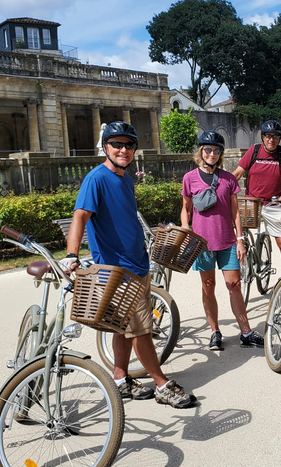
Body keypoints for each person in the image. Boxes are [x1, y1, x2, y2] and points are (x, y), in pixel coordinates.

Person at [60, 121, 194, 409]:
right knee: (141, 329)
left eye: (129, 144)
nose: (123, 149)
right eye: (116, 144)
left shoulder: (125, 179)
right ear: (105, 147)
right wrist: (72, 255)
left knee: (122, 328)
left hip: (138, 264)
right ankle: (161, 384)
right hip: (118, 271)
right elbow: (80, 216)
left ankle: (120, 379)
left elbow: (124, 218)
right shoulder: (96, 179)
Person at [182, 130, 264, 351]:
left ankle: (245, 332)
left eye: (216, 150)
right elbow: (186, 209)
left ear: (220, 154)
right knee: (208, 286)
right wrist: (185, 229)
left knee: (234, 285)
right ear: (201, 151)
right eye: (208, 150)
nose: (212, 154)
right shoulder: (189, 178)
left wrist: (240, 239)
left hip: (227, 240)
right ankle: (215, 331)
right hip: (203, 243)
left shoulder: (228, 178)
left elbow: (235, 211)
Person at [232, 120, 281, 275]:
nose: (271, 139)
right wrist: (223, 188)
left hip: (273, 202)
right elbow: (238, 173)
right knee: (239, 236)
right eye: (268, 136)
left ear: (279, 138)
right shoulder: (254, 150)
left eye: (275, 136)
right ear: (263, 137)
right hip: (251, 201)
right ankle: (238, 273)